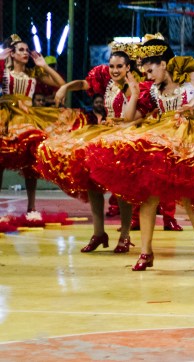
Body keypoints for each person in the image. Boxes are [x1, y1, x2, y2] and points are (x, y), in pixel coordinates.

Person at [85, 34, 194, 272]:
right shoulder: (151, 90)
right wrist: (134, 93)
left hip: (190, 139)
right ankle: (146, 253)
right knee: (149, 199)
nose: (147, 76)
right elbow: (130, 117)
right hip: (163, 137)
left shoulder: (190, 76)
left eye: (150, 70)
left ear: (163, 64)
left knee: (190, 200)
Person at [36, 42, 142, 254]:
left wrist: (125, 126)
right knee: (92, 181)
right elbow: (84, 84)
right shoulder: (106, 79)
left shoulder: (136, 85)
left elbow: (141, 115)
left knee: (121, 187)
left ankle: (124, 236)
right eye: (112, 66)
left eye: (119, 66)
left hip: (126, 136)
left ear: (128, 67)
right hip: (105, 133)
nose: (114, 70)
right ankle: (99, 232)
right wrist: (65, 87)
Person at [1, 34, 79, 212]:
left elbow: (61, 84)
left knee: (31, 162)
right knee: (1, 160)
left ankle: (31, 208)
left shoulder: (33, 73)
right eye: (21, 50)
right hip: (7, 117)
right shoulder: (5, 73)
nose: (25, 53)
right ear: (12, 53)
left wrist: (44, 66)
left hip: (29, 117)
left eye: (27, 50)